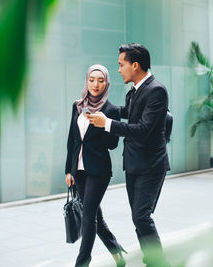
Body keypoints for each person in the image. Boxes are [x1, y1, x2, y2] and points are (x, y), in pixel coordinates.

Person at [87, 44, 171, 266]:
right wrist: (98, 102)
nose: (119, 70)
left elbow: (143, 129)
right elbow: (125, 114)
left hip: (151, 165)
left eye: (121, 65)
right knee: (139, 218)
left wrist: (108, 124)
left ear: (135, 65)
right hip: (134, 164)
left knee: (142, 216)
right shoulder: (134, 91)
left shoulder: (156, 91)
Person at [64, 64, 126, 267]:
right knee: (94, 215)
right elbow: (73, 140)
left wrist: (104, 123)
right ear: (86, 81)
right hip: (79, 170)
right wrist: (69, 170)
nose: (95, 84)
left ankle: (82, 262)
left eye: (100, 80)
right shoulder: (77, 105)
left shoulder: (112, 110)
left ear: (106, 83)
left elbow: (113, 144)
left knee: (88, 214)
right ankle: (116, 250)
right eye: (92, 79)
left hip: (99, 170)